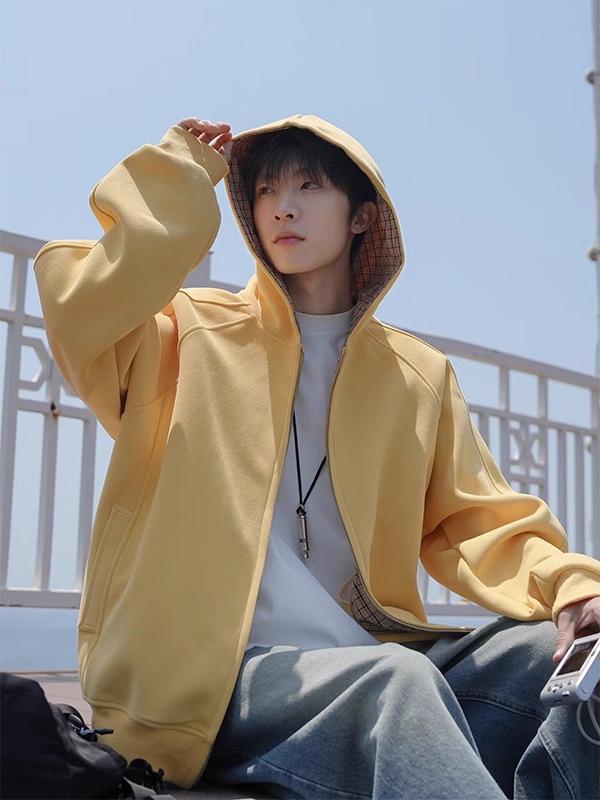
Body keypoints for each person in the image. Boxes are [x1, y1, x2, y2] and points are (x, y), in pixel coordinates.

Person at [33, 114, 600, 799]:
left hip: (367, 660)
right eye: (265, 191)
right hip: (211, 679)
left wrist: (573, 587)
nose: (283, 207)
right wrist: (178, 181)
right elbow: (81, 313)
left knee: (558, 661)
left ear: (361, 217)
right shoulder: (185, 332)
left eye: (308, 186)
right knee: (395, 684)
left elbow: (478, 521)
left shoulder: (416, 375)